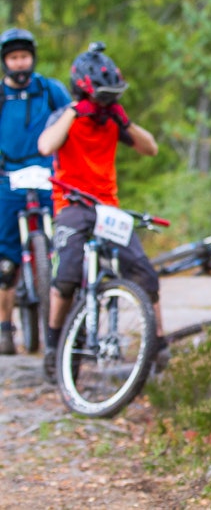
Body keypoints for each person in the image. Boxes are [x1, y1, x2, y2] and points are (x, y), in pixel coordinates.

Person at [37, 42, 163, 382]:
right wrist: (74, 112)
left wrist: (125, 121)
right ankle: (54, 345)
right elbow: (46, 146)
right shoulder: (66, 117)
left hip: (107, 208)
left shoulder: (112, 120)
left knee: (145, 273)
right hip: (71, 204)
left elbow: (150, 148)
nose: (104, 105)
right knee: (65, 277)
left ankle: (159, 344)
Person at [0, 28, 72, 355]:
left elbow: (72, 122)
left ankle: (64, 321)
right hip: (8, 177)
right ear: (5, 62)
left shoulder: (49, 90)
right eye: (14, 58)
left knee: (66, 240)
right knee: (6, 263)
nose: (20, 63)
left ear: (32, 58)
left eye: (24, 57)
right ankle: (5, 327)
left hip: (48, 174)